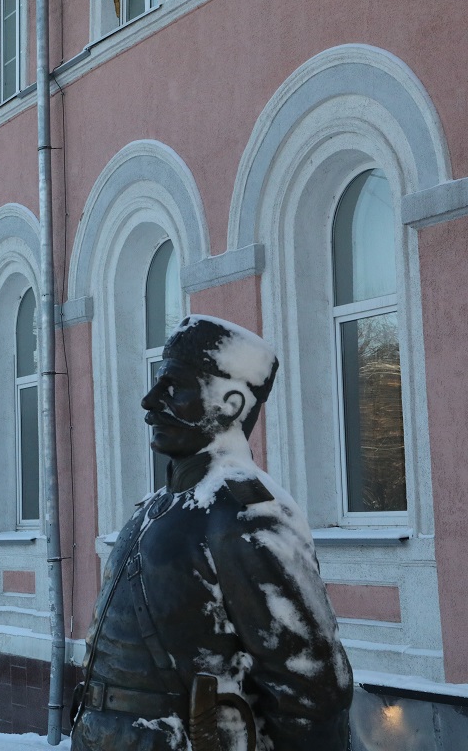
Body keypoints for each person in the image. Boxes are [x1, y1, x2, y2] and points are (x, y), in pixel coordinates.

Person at [70, 315, 353, 751]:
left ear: (232, 404)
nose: (149, 402)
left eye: (174, 387)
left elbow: (311, 689)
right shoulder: (159, 507)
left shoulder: (245, 515)